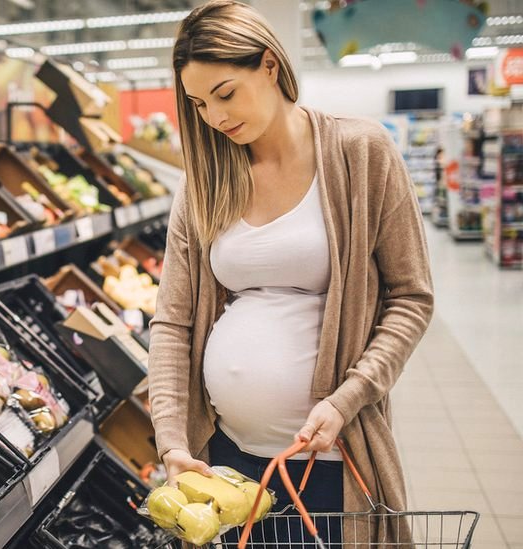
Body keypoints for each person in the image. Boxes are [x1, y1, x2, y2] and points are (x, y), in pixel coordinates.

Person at [148, 1, 433, 546]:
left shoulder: (359, 152)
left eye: (225, 93)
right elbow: (172, 321)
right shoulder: (205, 181)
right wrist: (170, 439)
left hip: (329, 457)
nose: (215, 117)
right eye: (198, 103)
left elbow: (411, 296)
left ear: (270, 65)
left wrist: (348, 397)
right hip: (223, 462)